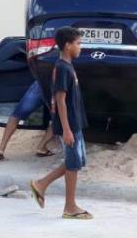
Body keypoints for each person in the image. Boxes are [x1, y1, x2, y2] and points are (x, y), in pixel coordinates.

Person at [30, 27, 93, 220]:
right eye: (78, 43)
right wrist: (66, 129)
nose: (80, 47)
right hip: (70, 125)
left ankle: (41, 184)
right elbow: (60, 99)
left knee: (77, 162)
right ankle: (70, 207)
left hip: (76, 123)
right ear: (67, 45)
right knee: (73, 164)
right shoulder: (62, 68)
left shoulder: (68, 65)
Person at [0, 81, 56, 160]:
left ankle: (1, 148)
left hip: (41, 84)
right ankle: (41, 147)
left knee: (16, 115)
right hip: (60, 87)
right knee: (58, 119)